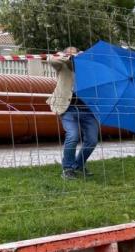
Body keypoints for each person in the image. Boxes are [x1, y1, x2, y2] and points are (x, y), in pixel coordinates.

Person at [47, 47, 99, 180]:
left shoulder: (87, 67)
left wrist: (85, 59)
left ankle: (79, 165)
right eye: (70, 52)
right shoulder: (62, 65)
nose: (73, 54)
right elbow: (51, 59)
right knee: (73, 135)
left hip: (87, 109)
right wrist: (68, 57)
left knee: (92, 140)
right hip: (68, 108)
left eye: (75, 52)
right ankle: (68, 169)